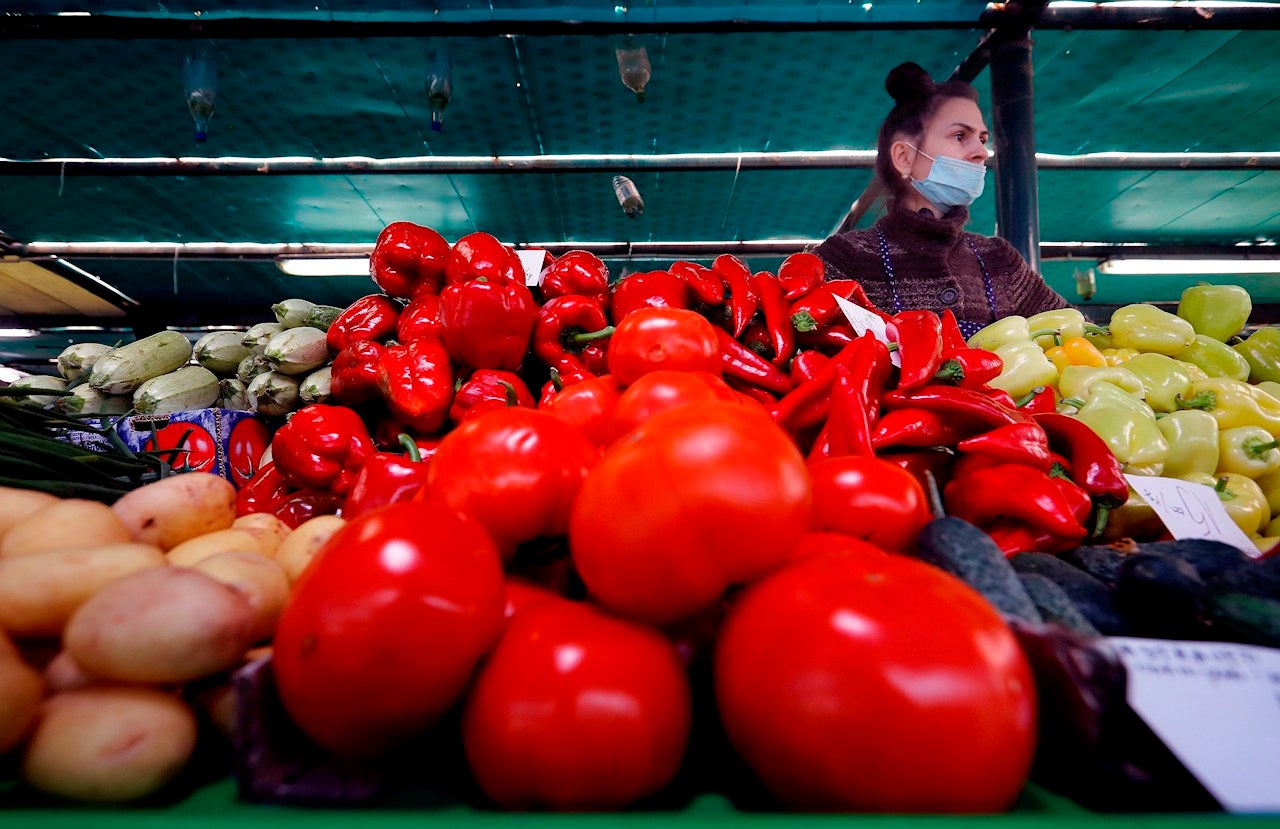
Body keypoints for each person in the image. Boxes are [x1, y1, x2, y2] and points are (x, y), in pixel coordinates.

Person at [813, 62, 1071, 339]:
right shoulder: (845, 259)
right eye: (960, 136)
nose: (981, 152)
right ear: (904, 157)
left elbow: (1076, 334)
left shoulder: (999, 261)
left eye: (982, 139)